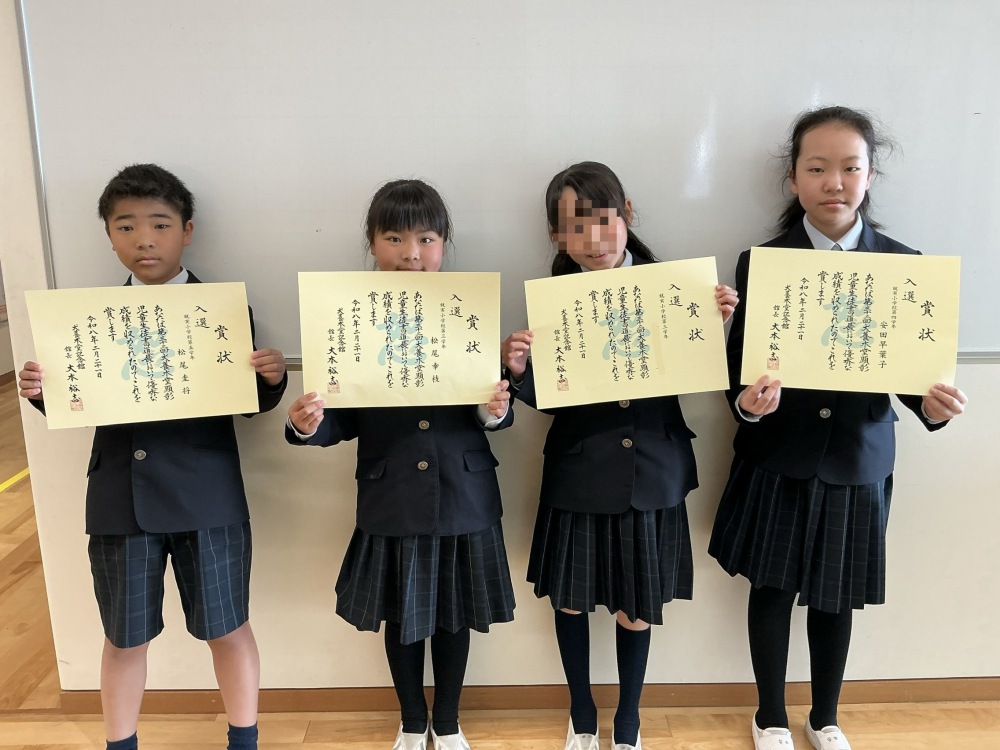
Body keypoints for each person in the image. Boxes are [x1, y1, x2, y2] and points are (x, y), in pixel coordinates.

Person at [707, 106, 969, 750]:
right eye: (817, 168)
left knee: (836, 596)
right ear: (794, 178)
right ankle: (770, 716)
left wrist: (933, 408)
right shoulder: (761, 262)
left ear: (870, 176)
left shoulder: (904, 265)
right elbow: (737, 372)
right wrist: (749, 405)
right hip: (779, 453)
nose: (834, 183)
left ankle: (825, 717)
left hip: (858, 456)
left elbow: (911, 378)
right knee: (772, 590)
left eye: (850, 168)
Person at [18, 163, 288, 750]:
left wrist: (270, 381)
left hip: (206, 497)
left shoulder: (222, 310)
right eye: (127, 226)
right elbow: (78, 401)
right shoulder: (85, 322)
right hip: (121, 497)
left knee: (228, 627)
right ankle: (121, 744)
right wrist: (43, 392)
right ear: (109, 235)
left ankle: (244, 741)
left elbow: (247, 404)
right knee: (124, 637)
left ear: (186, 231)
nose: (144, 239)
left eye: (160, 225)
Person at [502, 161, 738, 750]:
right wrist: (518, 371)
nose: (593, 239)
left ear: (627, 214)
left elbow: (700, 375)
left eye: (603, 220)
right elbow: (549, 398)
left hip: (653, 470)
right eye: (574, 227)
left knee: (638, 604)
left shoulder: (675, 289)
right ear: (556, 237)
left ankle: (628, 718)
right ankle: (581, 712)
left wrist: (715, 324)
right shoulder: (554, 303)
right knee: (571, 600)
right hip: (579, 469)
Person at [285, 179, 515, 750]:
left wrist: (493, 411)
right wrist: (307, 424)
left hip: (463, 490)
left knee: (455, 615)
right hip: (390, 494)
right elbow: (341, 418)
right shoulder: (348, 318)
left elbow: (491, 408)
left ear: (443, 244)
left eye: (426, 239)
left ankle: (449, 722)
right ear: (372, 243)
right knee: (401, 615)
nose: (411, 254)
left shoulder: (469, 309)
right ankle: (413, 723)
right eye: (394, 238)